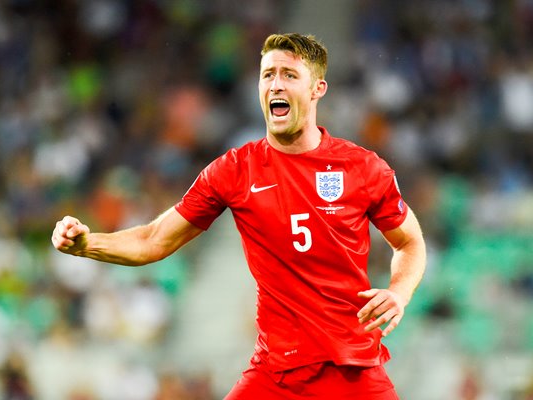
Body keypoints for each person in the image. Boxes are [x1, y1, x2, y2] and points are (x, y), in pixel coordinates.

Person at [52, 33, 426, 399]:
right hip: (276, 375)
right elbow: (154, 240)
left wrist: (399, 293)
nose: (276, 85)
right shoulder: (234, 170)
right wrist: (88, 244)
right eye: (268, 75)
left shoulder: (361, 168)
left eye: (289, 75)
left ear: (317, 89)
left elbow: (409, 242)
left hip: (352, 372)